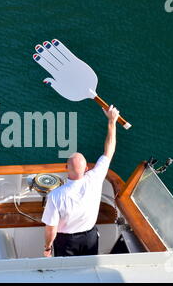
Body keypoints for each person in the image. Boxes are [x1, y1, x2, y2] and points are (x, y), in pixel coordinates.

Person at [41, 105, 120, 257]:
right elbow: (109, 150)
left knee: (67, 273)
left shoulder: (56, 196)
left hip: (66, 241)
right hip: (90, 237)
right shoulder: (95, 178)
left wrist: (47, 247)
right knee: (88, 269)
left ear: (66, 167)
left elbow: (51, 228)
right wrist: (112, 121)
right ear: (86, 169)